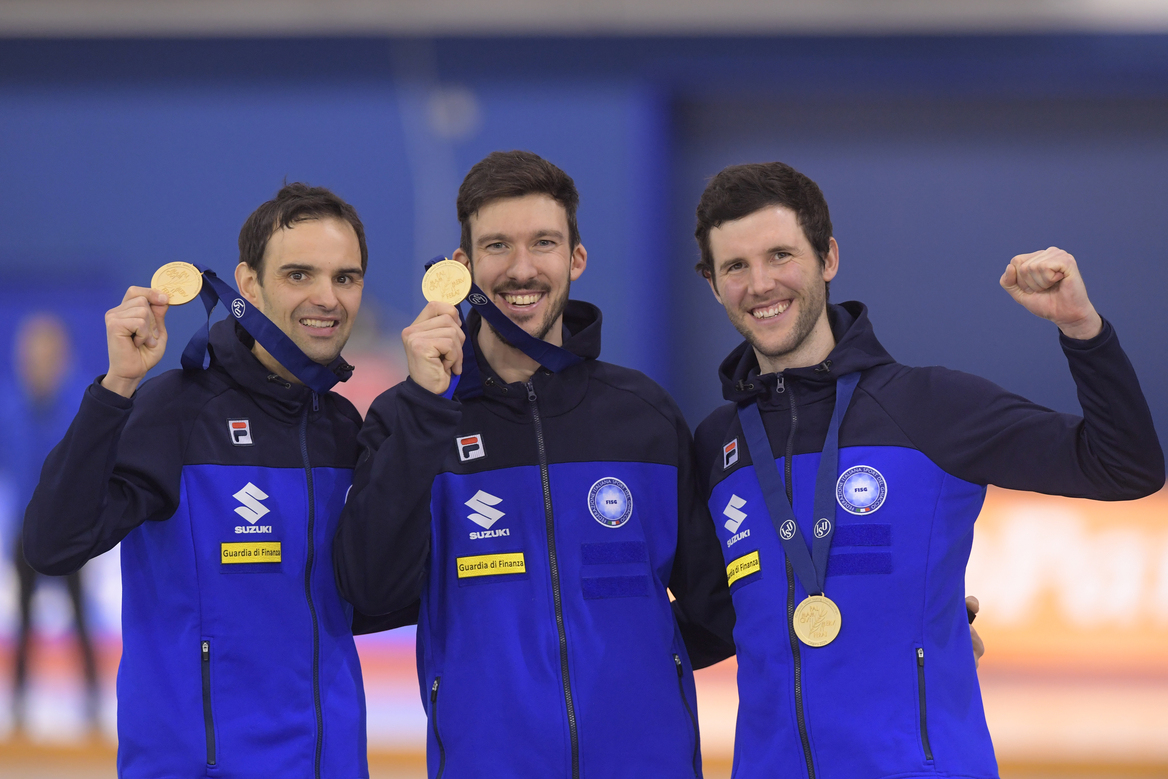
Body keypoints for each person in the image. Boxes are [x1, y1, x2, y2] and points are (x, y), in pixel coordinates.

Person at [690, 161, 1164, 779]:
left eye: (781, 255)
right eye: (735, 266)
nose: (761, 284)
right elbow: (711, 620)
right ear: (712, 283)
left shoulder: (931, 408)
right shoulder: (716, 445)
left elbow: (1125, 465)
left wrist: (1081, 329)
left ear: (828, 258)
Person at [334, 150, 734, 778]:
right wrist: (426, 409)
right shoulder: (410, 416)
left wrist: (643, 663)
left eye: (543, 243)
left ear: (576, 258)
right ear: (463, 266)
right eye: (497, 245)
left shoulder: (644, 415)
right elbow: (370, 591)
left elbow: (718, 607)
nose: (522, 268)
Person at [22, 183, 392, 778]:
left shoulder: (343, 426)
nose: (327, 298)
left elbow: (373, 594)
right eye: (299, 275)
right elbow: (53, 544)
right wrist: (116, 388)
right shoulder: (177, 411)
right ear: (248, 284)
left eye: (345, 278)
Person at [3, 314, 100, 734]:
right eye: (30, 355)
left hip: (70, 531)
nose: (37, 363)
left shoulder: (82, 403)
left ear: (61, 357)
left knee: (80, 613)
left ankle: (92, 700)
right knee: (23, 618)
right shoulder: (10, 406)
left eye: (45, 354)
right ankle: (18, 703)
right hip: (24, 531)